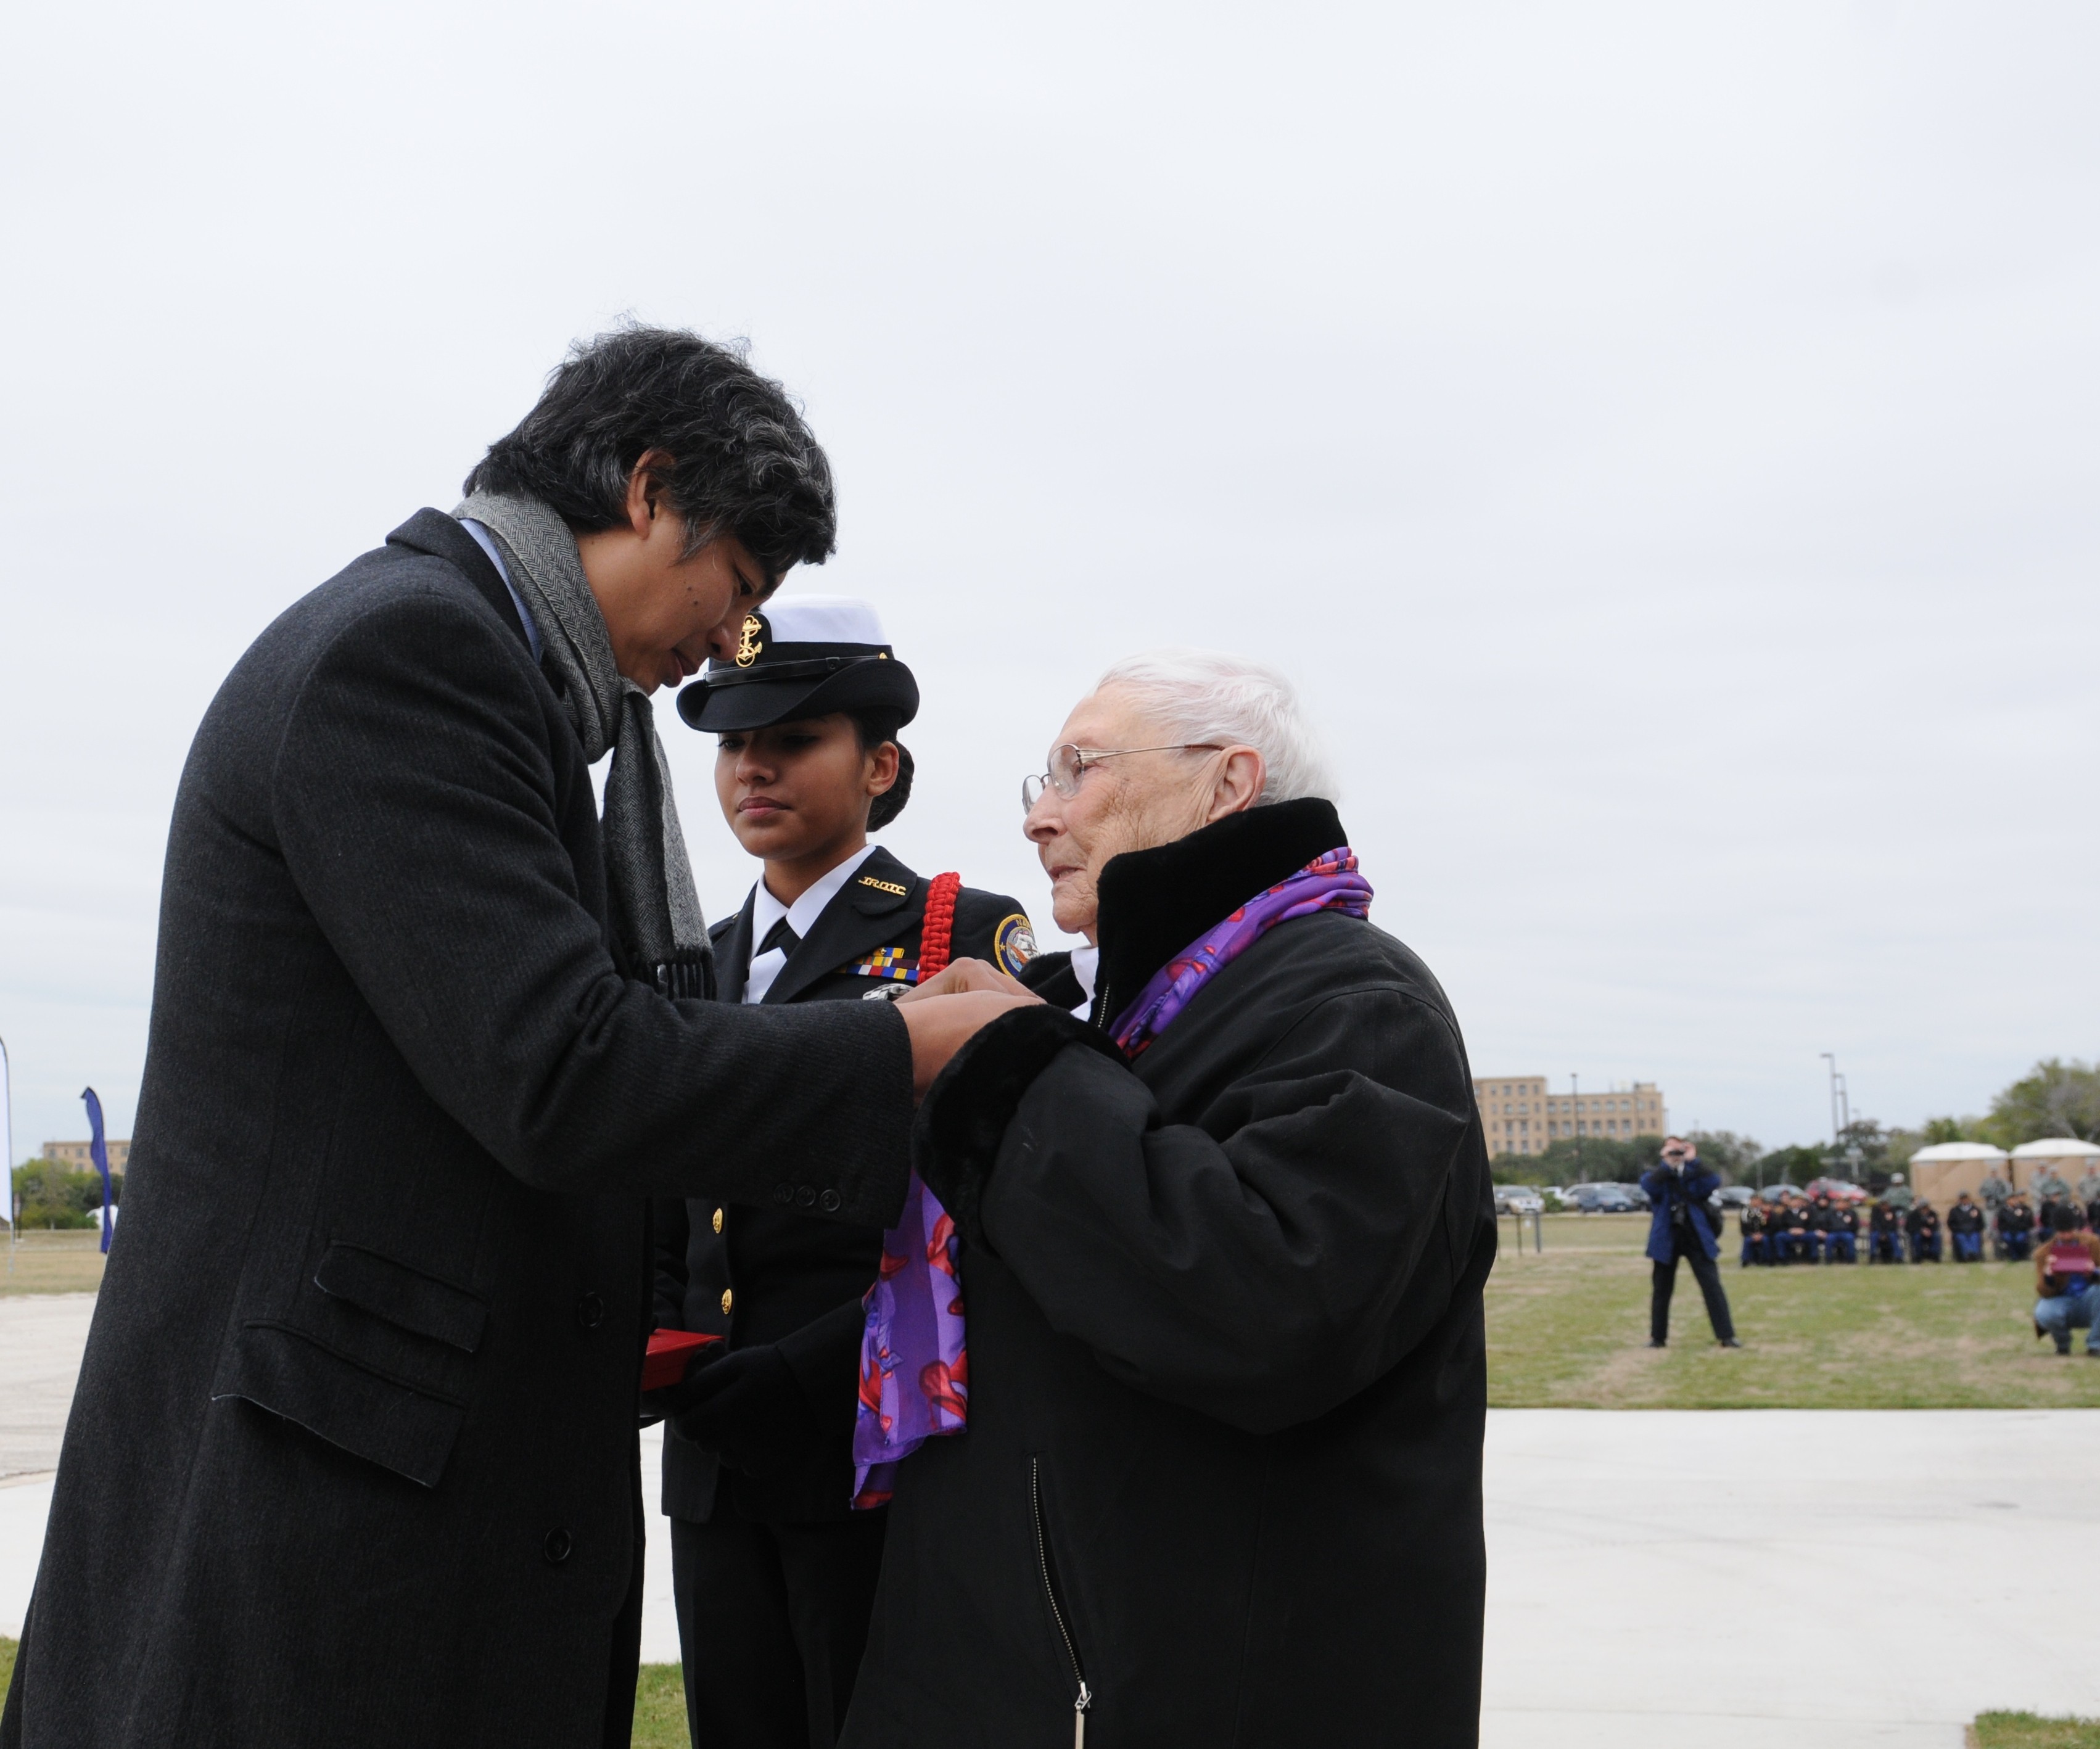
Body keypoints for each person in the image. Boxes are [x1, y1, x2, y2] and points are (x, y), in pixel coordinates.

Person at [0, 330, 1022, 1749]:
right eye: (731, 597)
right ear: (649, 489)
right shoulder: (411, 655)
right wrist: (898, 1045)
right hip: (325, 1546)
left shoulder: (517, 691)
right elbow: (565, 1071)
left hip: (433, 1521)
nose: (717, 657)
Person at [839, 651, 1496, 1747]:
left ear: (1229, 782)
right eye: (1038, 784)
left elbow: (1260, 1305)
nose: (1040, 821)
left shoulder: (1360, 1002)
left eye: (1077, 771)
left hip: (1216, 1695)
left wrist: (1013, 1064)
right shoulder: (1118, 1012)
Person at [652, 600, 1034, 1749]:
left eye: (794, 738)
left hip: (875, 1431)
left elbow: (993, 1196)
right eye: (730, 743)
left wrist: (814, 1369)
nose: (752, 767)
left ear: (880, 765)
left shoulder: (956, 931)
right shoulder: (698, 957)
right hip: (717, 1441)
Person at [1642, 1139, 1740, 1348]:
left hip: (1695, 1235)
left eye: (1680, 1149)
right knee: (1662, 1289)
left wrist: (1694, 1161)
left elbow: (1713, 1181)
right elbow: (1649, 1186)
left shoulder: (1694, 1174)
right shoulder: (1659, 1175)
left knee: (1712, 1286)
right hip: (1667, 1237)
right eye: (1672, 1149)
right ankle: (1658, 1338)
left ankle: (1727, 1335)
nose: (1677, 1153)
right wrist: (1666, 1164)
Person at [2030, 1204, 2100, 1357]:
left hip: (2090, 1299)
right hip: (2061, 1299)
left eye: (2070, 1231)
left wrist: (2094, 1272)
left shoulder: (2094, 1243)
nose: (2067, 1236)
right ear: (2055, 1231)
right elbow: (2043, 1292)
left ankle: (2095, 1345)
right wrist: (2049, 1275)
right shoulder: (2043, 1253)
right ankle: (2063, 1345)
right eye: (2063, 1232)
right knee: (2043, 1313)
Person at [1948, 1190, 1987, 1262]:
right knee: (1961, 1238)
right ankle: (1968, 1254)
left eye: (1966, 1198)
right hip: (1960, 1231)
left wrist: (1975, 1229)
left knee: (1975, 1237)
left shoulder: (1976, 1210)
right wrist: (1958, 1229)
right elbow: (1951, 1223)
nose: (1965, 1200)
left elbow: (1981, 1223)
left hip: (1973, 1231)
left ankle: (1975, 1255)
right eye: (1963, 1199)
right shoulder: (1954, 1211)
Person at [1999, 1192, 2037, 1262]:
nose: (2014, 1201)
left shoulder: (2024, 1209)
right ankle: (2014, 1256)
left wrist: (2021, 1225)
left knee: (2020, 1239)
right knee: (2009, 1239)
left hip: (2021, 1230)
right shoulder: (2003, 1211)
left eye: (2015, 1199)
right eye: (2012, 1199)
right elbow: (2001, 1223)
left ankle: (2022, 1255)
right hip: (2008, 1231)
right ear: (2008, 1201)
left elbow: (2028, 1222)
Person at [1867, 1195, 1905, 1264]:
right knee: (1874, 1236)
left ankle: (1898, 1257)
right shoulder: (1876, 1211)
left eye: (1886, 1204)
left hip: (1890, 1231)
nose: (1885, 1207)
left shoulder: (1892, 1211)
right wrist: (1882, 1233)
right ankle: (1872, 1256)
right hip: (1878, 1231)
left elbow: (1893, 1224)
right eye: (1883, 1205)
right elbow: (1874, 1223)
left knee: (1893, 1236)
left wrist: (1885, 1233)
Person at [1826, 1195, 1860, 1264]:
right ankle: (1829, 1259)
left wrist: (1851, 1229)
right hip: (1833, 1232)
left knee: (1850, 1238)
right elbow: (1826, 1224)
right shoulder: (1830, 1213)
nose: (1841, 1205)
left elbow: (1856, 1225)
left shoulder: (1851, 1213)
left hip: (1847, 1232)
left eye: (1843, 1203)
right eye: (1839, 1203)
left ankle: (1851, 1259)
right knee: (1829, 1238)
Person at [1907, 1198, 1943, 1262]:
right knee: (1916, 1237)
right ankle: (1919, 1256)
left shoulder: (1933, 1214)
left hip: (1931, 1233)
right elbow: (1910, 1227)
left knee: (1937, 1236)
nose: (1925, 1210)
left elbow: (1937, 1225)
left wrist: (1930, 1230)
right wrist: (1922, 1230)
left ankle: (1934, 1254)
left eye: (1926, 1207)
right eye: (1923, 1208)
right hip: (1918, 1233)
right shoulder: (1913, 1215)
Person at [1739, 1197, 1768, 1267]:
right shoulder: (1745, 1212)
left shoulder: (1764, 1212)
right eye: (1754, 1200)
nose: (1756, 1202)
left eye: (1758, 1201)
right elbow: (1744, 1228)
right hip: (1750, 1235)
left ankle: (1766, 1259)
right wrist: (1752, 1235)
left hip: (1763, 1235)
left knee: (1766, 1240)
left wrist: (1762, 1234)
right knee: (1747, 1241)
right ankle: (1745, 1260)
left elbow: (1769, 1226)